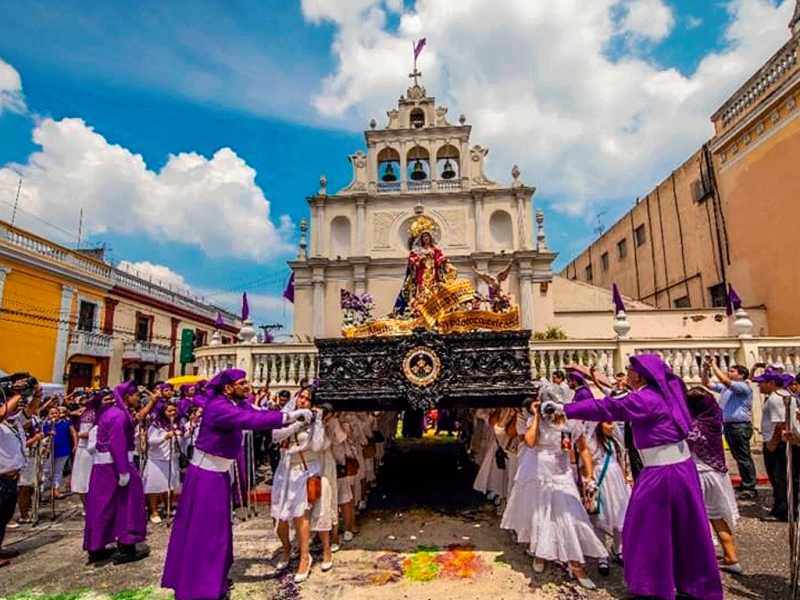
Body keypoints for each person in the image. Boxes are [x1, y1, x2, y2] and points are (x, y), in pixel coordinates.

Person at [560, 354, 723, 600]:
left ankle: (653, 586)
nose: (626, 373)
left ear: (640, 375)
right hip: (681, 468)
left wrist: (565, 409)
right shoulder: (670, 390)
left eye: (629, 370)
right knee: (686, 528)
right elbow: (617, 393)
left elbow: (609, 407)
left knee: (645, 529)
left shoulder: (647, 398)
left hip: (662, 472)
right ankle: (691, 584)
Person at [162, 369, 307, 600]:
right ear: (228, 388)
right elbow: (251, 420)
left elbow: (260, 415)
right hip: (205, 476)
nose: (247, 386)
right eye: (242, 383)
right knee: (205, 533)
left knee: (219, 532)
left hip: (219, 475)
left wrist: (294, 423)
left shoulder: (236, 403)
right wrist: (291, 416)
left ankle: (215, 579)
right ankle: (199, 587)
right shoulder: (219, 407)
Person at [521, 388, 606, 590]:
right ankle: (541, 553)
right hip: (541, 474)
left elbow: (583, 448)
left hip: (564, 474)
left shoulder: (572, 421)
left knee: (571, 516)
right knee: (543, 515)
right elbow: (530, 442)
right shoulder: (539, 420)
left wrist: (589, 475)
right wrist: (535, 415)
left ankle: (576, 564)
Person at [83, 383, 149, 566]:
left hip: (102, 467)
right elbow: (117, 443)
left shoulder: (111, 413)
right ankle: (127, 547)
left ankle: (96, 548)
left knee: (101, 507)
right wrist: (123, 471)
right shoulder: (119, 415)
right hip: (116, 465)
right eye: (135, 395)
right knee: (128, 506)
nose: (138, 398)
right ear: (127, 396)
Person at [270, 385, 325, 583]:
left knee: (300, 515)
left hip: (304, 469)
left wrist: (315, 421)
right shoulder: (289, 414)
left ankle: (304, 556)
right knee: (278, 517)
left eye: (307, 399)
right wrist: (295, 423)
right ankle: (286, 548)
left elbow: (317, 445)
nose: (302, 401)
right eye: (301, 397)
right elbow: (276, 436)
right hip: (284, 469)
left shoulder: (314, 422)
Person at [685, 387, 741, 574]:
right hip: (717, 474)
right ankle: (731, 556)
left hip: (697, 474)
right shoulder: (713, 422)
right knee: (717, 517)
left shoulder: (691, 426)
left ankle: (699, 559)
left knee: (694, 518)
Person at [0, 381, 42, 567]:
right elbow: (2, 413)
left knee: (3, 518)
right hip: (0, 478)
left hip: (12, 478)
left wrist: (37, 395)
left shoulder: (13, 422)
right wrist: (17, 393)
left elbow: (30, 412)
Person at [701, 359, 756, 498]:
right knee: (738, 456)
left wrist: (714, 366)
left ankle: (750, 486)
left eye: (732, 371)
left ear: (741, 375)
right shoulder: (726, 388)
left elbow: (725, 381)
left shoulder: (743, 387)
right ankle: (746, 483)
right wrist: (705, 370)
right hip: (729, 425)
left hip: (739, 426)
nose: (728, 373)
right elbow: (706, 383)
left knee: (744, 457)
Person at [587, 421, 629, 576]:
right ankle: (601, 554)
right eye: (608, 423)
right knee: (600, 517)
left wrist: (625, 479)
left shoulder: (615, 441)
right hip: (601, 480)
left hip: (616, 480)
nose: (611, 427)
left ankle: (618, 548)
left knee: (619, 515)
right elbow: (586, 463)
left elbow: (621, 459)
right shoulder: (592, 442)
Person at [756, 370, 799, 522]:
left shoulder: (776, 399)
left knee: (779, 478)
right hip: (784, 442)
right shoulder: (786, 396)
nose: (759, 386)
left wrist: (773, 443)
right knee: (788, 478)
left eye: (762, 382)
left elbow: (781, 423)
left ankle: (783, 511)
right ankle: (789, 507)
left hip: (779, 444)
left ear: (772, 383)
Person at [143, 400, 183, 523]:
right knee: (154, 486)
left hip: (172, 457)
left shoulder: (177, 423)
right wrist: (165, 436)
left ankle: (168, 506)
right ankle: (154, 510)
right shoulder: (156, 424)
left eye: (174, 410)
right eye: (169, 410)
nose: (172, 413)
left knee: (170, 484)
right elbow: (151, 441)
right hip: (157, 459)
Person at [71, 396, 98, 514]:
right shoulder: (89, 413)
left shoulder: (98, 413)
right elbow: (82, 433)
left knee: (89, 480)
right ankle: (86, 507)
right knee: (83, 479)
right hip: (86, 449)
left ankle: (90, 506)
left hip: (94, 449)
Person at [41, 406, 75, 500]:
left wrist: (75, 444)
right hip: (49, 451)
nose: (54, 415)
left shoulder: (65, 423)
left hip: (63, 450)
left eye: (56, 413)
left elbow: (73, 433)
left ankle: (56, 489)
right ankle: (41, 491)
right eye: (52, 413)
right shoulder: (44, 424)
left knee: (58, 471)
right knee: (46, 471)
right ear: (48, 415)